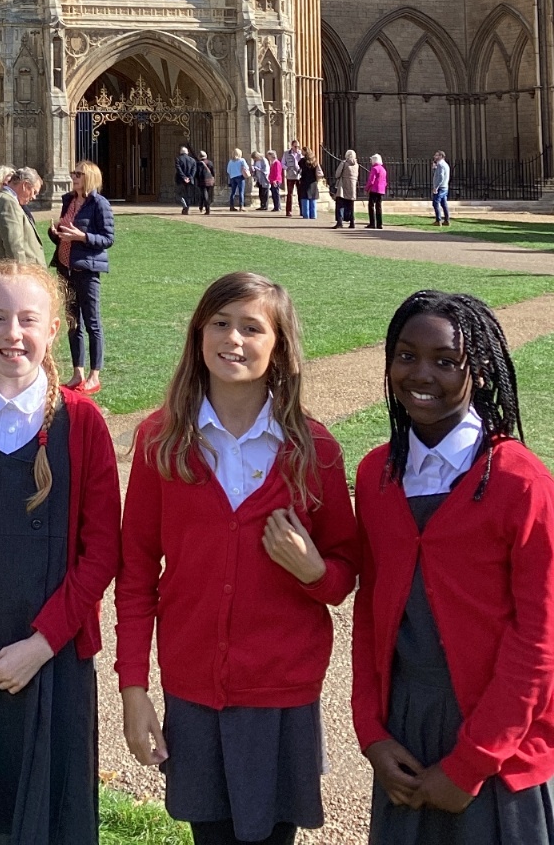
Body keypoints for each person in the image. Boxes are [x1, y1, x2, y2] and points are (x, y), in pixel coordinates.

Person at [117, 271, 359, 845]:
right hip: (194, 690)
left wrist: (315, 573)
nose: (233, 339)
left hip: (281, 693)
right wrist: (133, 687)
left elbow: (345, 570)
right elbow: (136, 574)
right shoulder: (161, 442)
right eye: (220, 323)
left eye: (252, 328)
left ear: (279, 346)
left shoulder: (314, 449)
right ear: (198, 335)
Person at [0, 259, 121, 844]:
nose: (13, 333)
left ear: (54, 329)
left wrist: (41, 645)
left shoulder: (82, 422)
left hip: (52, 655)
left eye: (28, 319)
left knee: (49, 821)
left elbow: (101, 551)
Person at [352, 290, 554, 842]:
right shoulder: (376, 476)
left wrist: (471, 763)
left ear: (480, 372)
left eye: (445, 361)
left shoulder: (521, 482)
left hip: (499, 743)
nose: (422, 374)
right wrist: (371, 732)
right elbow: (370, 611)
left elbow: (539, 639)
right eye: (406, 355)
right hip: (404, 734)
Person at [49, 159, 115, 396]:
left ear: (90, 178)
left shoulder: (99, 204)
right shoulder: (69, 200)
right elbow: (64, 235)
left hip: (86, 270)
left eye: (78, 174)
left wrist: (83, 237)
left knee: (92, 323)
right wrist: (55, 233)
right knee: (72, 322)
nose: (74, 177)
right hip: (65, 268)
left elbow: (108, 238)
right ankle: (77, 372)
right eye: (73, 173)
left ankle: (94, 375)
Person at [0, 168, 45, 267]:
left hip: (1, 270)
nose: (34, 197)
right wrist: (20, 273)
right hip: (15, 272)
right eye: (34, 192)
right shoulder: (8, 203)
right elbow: (15, 248)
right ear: (25, 185)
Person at [331, 149, 359, 230]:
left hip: (343, 185)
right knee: (351, 205)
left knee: (340, 204)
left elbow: (337, 174)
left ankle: (339, 222)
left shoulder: (344, 163)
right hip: (352, 186)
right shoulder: (356, 165)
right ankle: (352, 222)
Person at [365, 155, 387, 231]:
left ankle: (372, 223)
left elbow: (371, 180)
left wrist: (367, 188)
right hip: (381, 190)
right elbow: (385, 181)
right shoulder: (383, 169)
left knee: (371, 206)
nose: (370, 161)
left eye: (371, 160)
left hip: (374, 189)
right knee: (378, 206)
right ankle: (379, 224)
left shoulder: (374, 168)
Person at [297, 148, 320, 221]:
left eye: (302, 151)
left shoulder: (302, 161)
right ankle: (313, 215)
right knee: (313, 199)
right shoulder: (314, 161)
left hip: (304, 181)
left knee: (305, 198)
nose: (301, 152)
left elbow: (299, 168)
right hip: (313, 181)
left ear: (305, 152)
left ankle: (306, 214)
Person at [283, 141, 302, 218]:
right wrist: (287, 168)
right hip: (290, 176)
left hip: (299, 176)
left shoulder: (300, 154)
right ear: (292, 146)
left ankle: (302, 210)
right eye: (295, 146)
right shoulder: (286, 153)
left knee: (300, 193)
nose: (296, 148)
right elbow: (282, 163)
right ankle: (288, 211)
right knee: (289, 193)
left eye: (298, 146)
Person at [175, 146, 198, 214]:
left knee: (179, 194)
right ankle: (187, 208)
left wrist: (184, 177)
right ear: (187, 152)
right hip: (190, 180)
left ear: (180, 152)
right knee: (188, 195)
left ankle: (185, 206)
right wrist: (189, 178)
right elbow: (194, 170)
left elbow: (178, 169)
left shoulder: (178, 159)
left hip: (180, 180)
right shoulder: (193, 160)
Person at [431, 151, 451, 226]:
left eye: (436, 155)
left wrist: (436, 187)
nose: (434, 156)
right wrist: (434, 169)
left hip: (440, 187)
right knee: (444, 204)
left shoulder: (440, 164)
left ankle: (438, 220)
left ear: (441, 156)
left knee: (435, 203)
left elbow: (441, 177)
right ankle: (447, 220)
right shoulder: (445, 164)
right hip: (445, 187)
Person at [195, 150, 215, 214]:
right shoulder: (210, 162)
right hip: (209, 180)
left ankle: (207, 209)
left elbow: (198, 173)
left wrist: (197, 179)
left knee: (204, 195)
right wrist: (212, 178)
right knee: (204, 194)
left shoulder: (199, 164)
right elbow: (213, 172)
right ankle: (201, 206)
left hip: (202, 181)